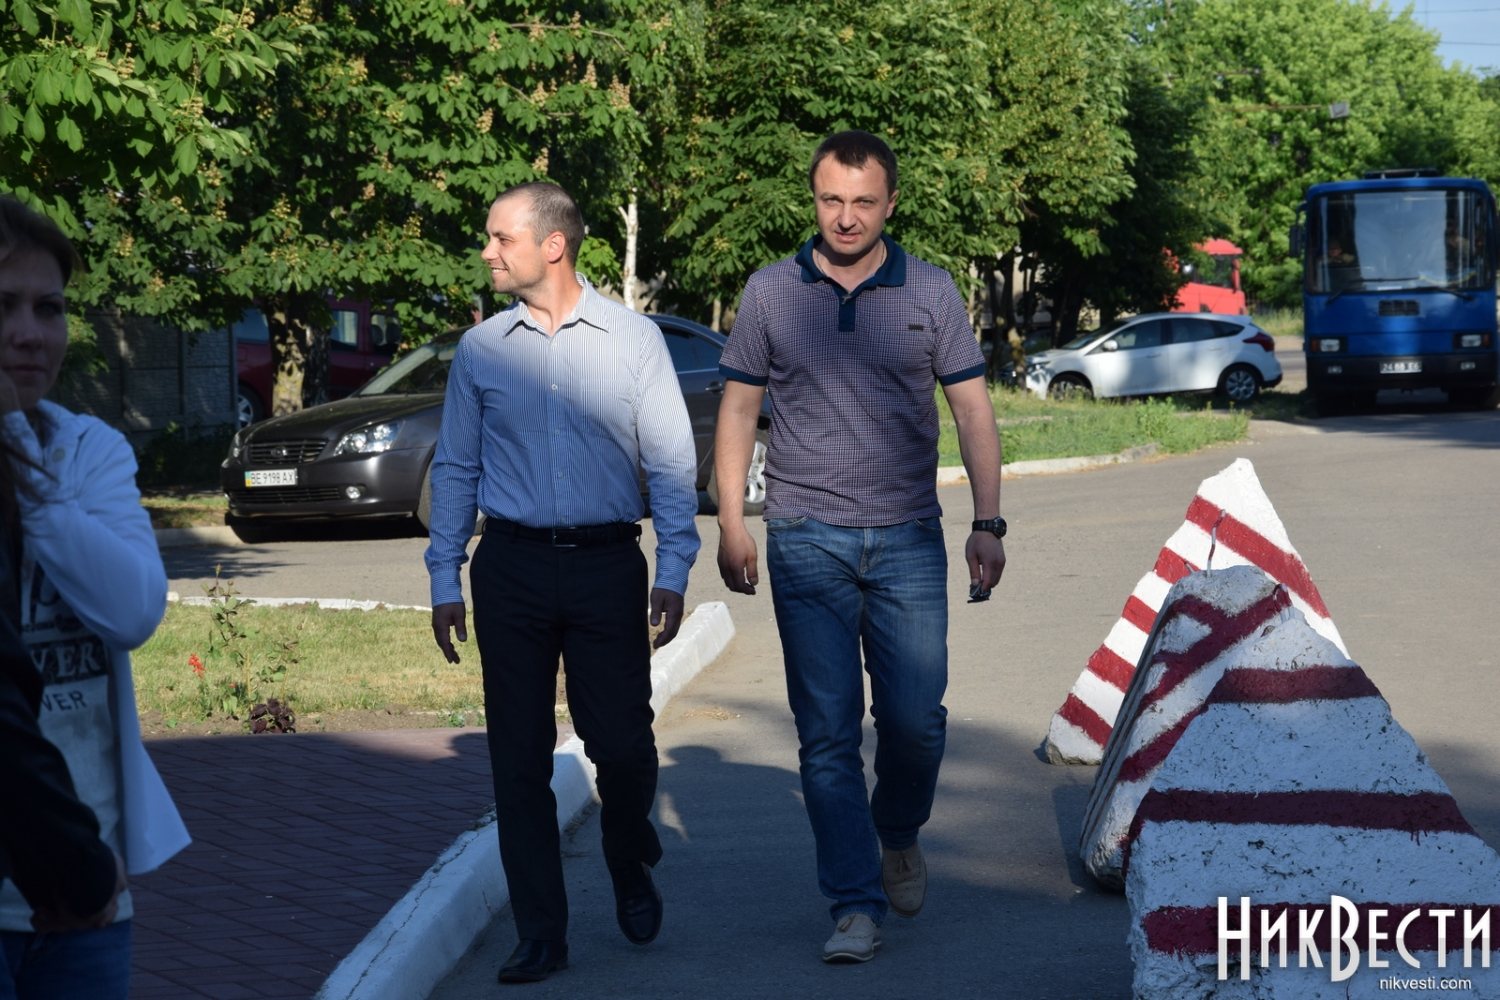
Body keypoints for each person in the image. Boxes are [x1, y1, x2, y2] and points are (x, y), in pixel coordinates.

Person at [714, 131, 1006, 964]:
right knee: (827, 734)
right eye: (831, 200)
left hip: (908, 536)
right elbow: (738, 408)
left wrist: (988, 522)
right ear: (814, 199)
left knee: (916, 722)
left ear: (890, 204)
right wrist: (732, 519)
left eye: (863, 202)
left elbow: (972, 410)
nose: (845, 218)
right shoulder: (771, 292)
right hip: (805, 536)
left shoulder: (931, 289)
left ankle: (898, 830)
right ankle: (853, 902)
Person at [426, 182, 700, 984]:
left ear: (553, 246)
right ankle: (542, 934)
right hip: (509, 568)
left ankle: (627, 852)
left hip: (605, 565)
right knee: (518, 760)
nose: (487, 251)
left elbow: (671, 463)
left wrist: (674, 567)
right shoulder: (481, 350)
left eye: (500, 237)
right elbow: (456, 469)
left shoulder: (634, 340)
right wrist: (445, 576)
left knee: (623, 745)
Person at [0, 195, 189, 999]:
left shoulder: (87, 449)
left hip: (91, 884)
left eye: (49, 308)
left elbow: (133, 611)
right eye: (3, 307)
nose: (29, 333)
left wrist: (24, 459)